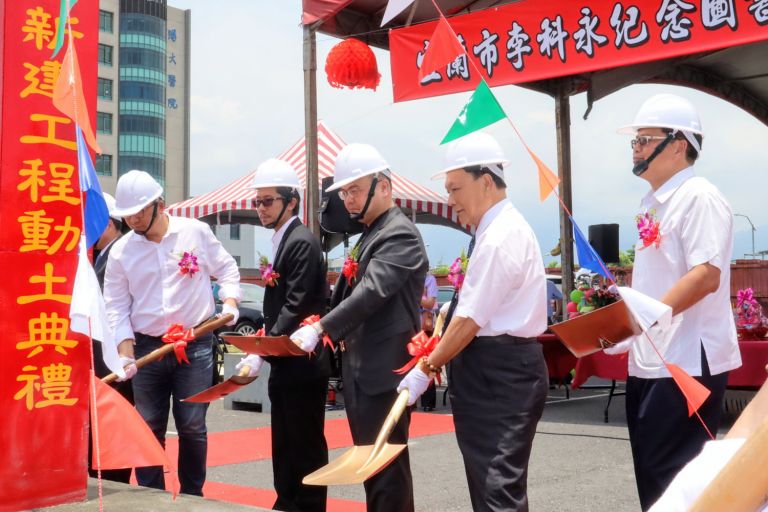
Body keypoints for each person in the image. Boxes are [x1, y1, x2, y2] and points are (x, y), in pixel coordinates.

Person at [398, 131, 549, 512]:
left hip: (501, 373)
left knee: (497, 489)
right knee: (488, 485)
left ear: (486, 181)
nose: (450, 201)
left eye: (455, 189)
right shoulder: (494, 231)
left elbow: (470, 319)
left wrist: (426, 367)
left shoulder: (500, 236)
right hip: (495, 371)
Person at [616, 93, 741, 510]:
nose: (636, 149)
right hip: (652, 359)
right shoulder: (652, 202)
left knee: (677, 481)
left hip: (687, 361)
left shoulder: (698, 196)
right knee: (653, 479)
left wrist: (645, 316)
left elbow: (706, 274)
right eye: (634, 141)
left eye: (645, 139)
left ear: (679, 144)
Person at [289, 143, 428, 512]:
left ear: (383, 186)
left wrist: (322, 329)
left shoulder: (399, 234)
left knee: (385, 471)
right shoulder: (373, 232)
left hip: (385, 371)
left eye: (355, 189)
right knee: (374, 469)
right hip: (366, 370)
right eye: (344, 192)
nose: (348, 200)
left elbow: (371, 292)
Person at [104, 170, 241, 496]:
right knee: (148, 426)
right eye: (128, 214)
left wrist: (231, 301)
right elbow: (115, 307)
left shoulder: (195, 232)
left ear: (160, 204)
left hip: (195, 343)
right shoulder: (121, 252)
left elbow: (227, 269)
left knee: (192, 425)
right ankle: (153, 496)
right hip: (147, 350)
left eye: (139, 211)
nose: (133, 219)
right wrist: (125, 353)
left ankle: (194, 496)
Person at [236, 159, 331, 511]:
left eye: (268, 201)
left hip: (301, 362)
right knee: (285, 442)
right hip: (286, 359)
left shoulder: (301, 242)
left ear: (292, 201)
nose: (260, 209)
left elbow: (295, 306)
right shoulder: (286, 240)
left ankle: (303, 505)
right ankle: (287, 500)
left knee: (303, 445)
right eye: (257, 202)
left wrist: (259, 348)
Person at [88, 192, 132, 484]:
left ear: (110, 223)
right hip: (103, 354)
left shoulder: (118, 253)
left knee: (114, 421)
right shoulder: (103, 255)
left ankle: (112, 476)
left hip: (114, 354)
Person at [420, 272, 439, 411]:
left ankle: (428, 402)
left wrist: (414, 295)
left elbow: (430, 303)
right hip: (411, 325)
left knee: (427, 361)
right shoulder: (409, 277)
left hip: (425, 327)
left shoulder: (429, 279)